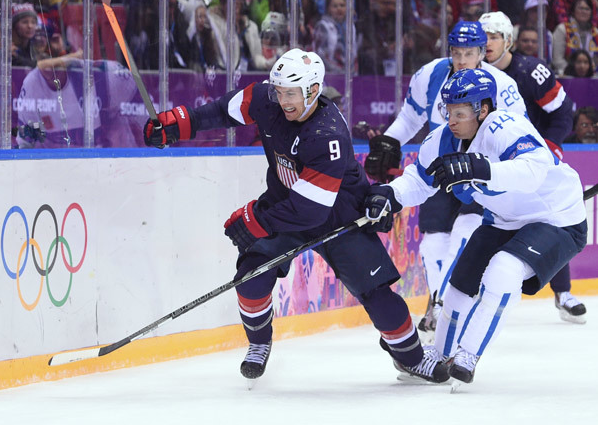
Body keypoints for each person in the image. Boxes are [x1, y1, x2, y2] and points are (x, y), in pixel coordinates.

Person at [143, 48, 450, 384]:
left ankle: (412, 358)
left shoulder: (327, 133)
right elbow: (221, 110)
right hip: (286, 204)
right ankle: (259, 344)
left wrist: (255, 220)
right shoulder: (266, 98)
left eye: (291, 93)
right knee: (249, 277)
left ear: (313, 91)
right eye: (279, 91)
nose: (282, 100)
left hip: (339, 217)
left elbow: (310, 210)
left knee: (378, 297)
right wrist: (177, 124)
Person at [367, 68, 587, 386]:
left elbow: (535, 169)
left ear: (482, 109)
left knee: (503, 269)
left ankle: (467, 355)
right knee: (458, 286)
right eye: (448, 112)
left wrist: (481, 167)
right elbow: (418, 179)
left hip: (556, 217)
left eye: (459, 112)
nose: (451, 120)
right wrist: (391, 195)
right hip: (502, 220)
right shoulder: (443, 139)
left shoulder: (505, 125)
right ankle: (440, 356)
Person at [364, 22, 527, 336]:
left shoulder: (501, 85)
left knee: (466, 233)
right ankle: (439, 300)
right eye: (456, 53)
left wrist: (504, 172)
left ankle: (444, 303)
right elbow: (412, 115)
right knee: (433, 243)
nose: (462, 59)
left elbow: (518, 132)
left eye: (469, 53)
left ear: (482, 53)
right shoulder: (431, 74)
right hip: (441, 165)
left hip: (481, 171)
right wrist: (389, 140)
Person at [480, 11, 587, 324]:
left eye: (494, 36)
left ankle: (563, 292)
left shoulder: (531, 71)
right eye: (482, 36)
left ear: (508, 40)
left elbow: (564, 112)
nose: (487, 43)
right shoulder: (474, 72)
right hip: (496, 163)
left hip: (533, 160)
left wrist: (550, 148)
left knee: (549, 218)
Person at [551, 0, 598, 75]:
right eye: (580, 8)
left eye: (587, 9)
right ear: (573, 11)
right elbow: (557, 60)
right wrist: (574, 73)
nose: (584, 11)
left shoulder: (596, 32)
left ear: (591, 13)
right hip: (568, 76)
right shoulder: (562, 29)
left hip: (592, 77)